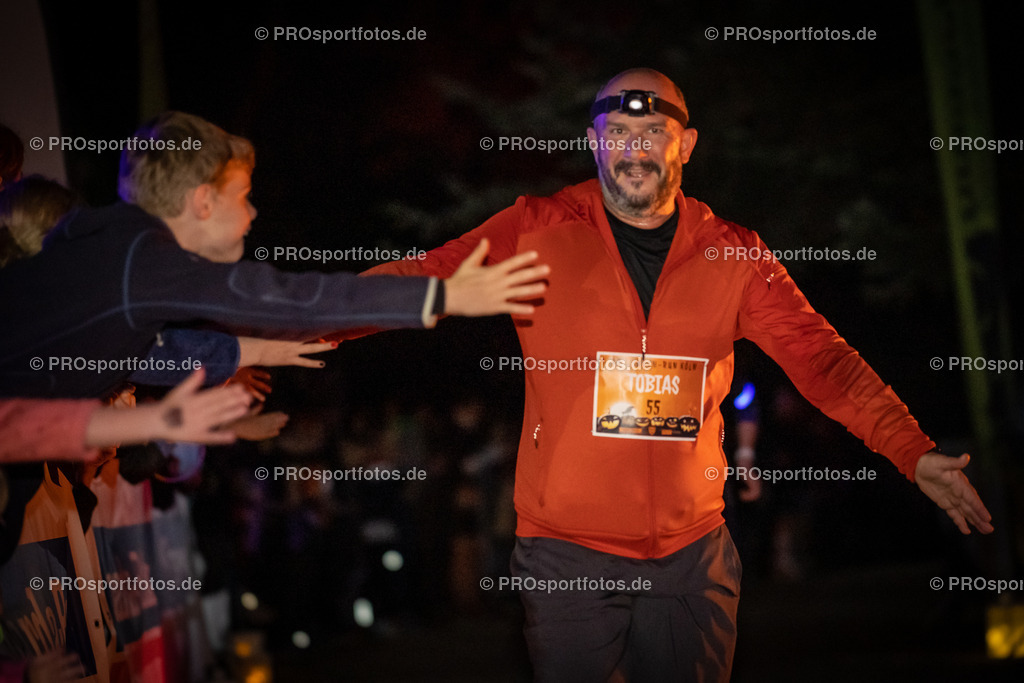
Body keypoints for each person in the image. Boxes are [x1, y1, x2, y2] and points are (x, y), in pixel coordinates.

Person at [349, 68, 993, 682]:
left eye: (652, 134)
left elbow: (821, 359)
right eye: (618, 135)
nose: (635, 151)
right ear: (594, 144)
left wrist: (912, 451)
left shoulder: (735, 253)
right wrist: (281, 323)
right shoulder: (536, 230)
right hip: (567, 550)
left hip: (692, 554)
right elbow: (419, 280)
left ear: (685, 144)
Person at [0, 110, 548, 400]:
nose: (254, 214)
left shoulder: (120, 257)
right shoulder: (143, 258)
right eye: (243, 197)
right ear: (202, 200)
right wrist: (443, 292)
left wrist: (246, 353)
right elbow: (285, 297)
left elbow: (143, 356)